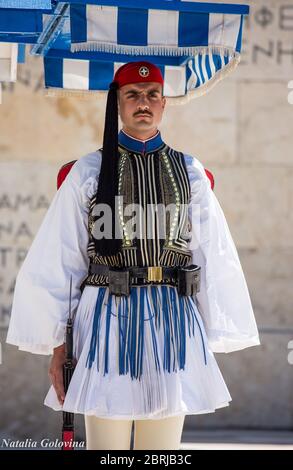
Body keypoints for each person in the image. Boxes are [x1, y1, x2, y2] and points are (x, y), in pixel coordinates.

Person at [6, 61, 260, 450]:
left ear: (164, 104)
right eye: (133, 95)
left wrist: (210, 332)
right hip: (106, 317)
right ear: (118, 105)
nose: (144, 102)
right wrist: (60, 346)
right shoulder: (87, 172)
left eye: (152, 95)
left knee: (160, 450)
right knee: (106, 446)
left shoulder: (190, 172)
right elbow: (61, 259)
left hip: (174, 322)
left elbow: (213, 255)